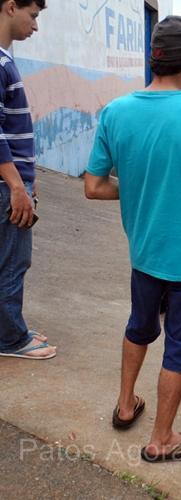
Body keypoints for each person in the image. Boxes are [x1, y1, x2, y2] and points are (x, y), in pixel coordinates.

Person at [84, 16, 181, 463]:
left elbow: (94, 186)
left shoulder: (116, 111)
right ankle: (162, 439)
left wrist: (137, 186)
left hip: (144, 253)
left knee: (139, 327)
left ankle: (126, 403)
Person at [0, 0, 54, 361]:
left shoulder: (5, 60)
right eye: (32, 16)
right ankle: (11, 339)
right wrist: (16, 186)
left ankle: (10, 328)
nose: (35, 26)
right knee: (12, 262)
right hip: (6, 186)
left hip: (12, 181)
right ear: (10, 7)